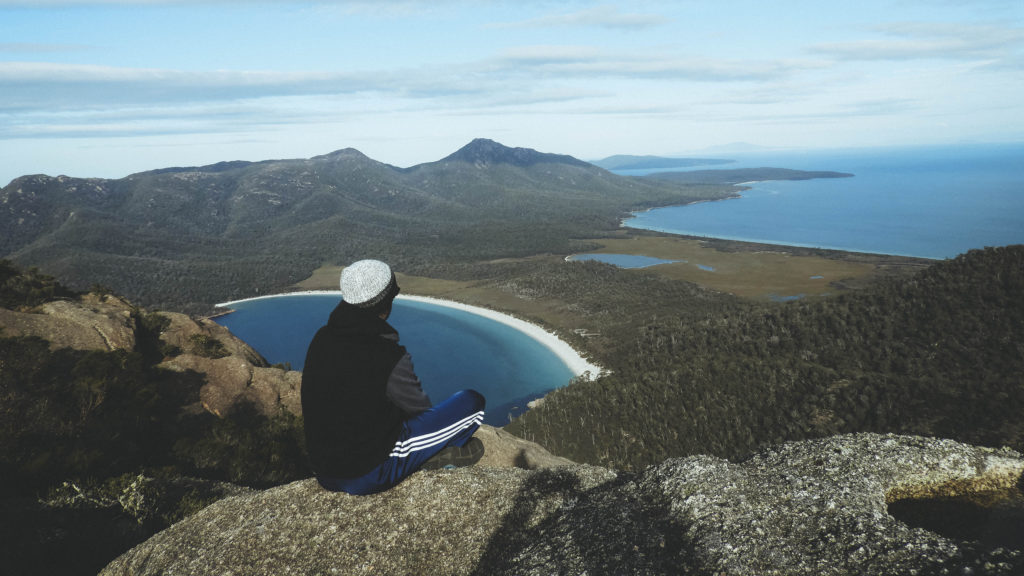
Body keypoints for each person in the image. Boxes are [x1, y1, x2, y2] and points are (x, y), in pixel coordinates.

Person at [301, 259, 485, 495]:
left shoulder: (321, 338)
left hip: (323, 472)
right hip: (369, 473)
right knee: (472, 402)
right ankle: (427, 458)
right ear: (384, 304)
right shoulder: (388, 354)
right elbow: (417, 410)